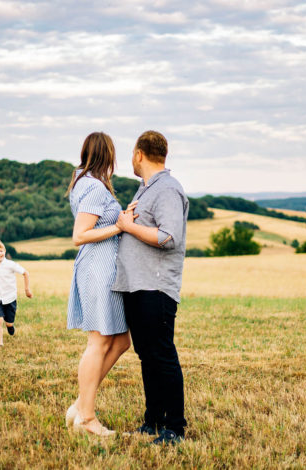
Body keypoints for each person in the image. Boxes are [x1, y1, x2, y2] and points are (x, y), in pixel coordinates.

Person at [112, 130, 189, 445]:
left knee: (162, 354)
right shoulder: (145, 190)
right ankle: (153, 421)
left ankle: (175, 428)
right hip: (137, 286)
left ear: (138, 154)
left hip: (155, 288)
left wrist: (128, 226)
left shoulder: (168, 190)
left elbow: (169, 237)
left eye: (131, 154)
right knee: (148, 355)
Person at [65, 131, 135, 436]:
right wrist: (119, 226)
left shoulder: (86, 182)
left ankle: (81, 404)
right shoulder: (93, 187)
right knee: (99, 342)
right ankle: (87, 419)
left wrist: (120, 219)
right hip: (98, 268)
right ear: (107, 155)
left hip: (105, 268)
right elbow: (80, 235)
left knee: (120, 341)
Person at [0, 238, 33, 346]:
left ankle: (10, 326)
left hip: (10, 297)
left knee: (8, 323)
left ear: (4, 251)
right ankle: (0, 343)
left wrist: (27, 289)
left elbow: (25, 273)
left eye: (1, 250)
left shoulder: (11, 264)